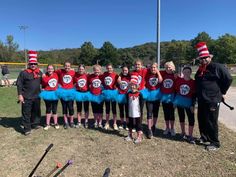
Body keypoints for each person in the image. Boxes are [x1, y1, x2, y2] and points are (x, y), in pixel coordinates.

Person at [194, 42, 232, 151]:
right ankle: (204, 137)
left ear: (209, 57)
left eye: (205, 57)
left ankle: (215, 143)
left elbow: (228, 79)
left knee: (211, 120)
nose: (204, 59)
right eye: (201, 58)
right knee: (202, 119)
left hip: (213, 100)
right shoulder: (200, 69)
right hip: (201, 100)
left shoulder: (217, 67)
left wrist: (222, 92)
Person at [17, 50, 42, 135]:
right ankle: (27, 128)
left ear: (37, 64)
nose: (33, 65)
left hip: (37, 96)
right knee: (26, 113)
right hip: (27, 97)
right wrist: (20, 95)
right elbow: (19, 84)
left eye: (35, 64)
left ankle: (35, 124)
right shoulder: (24, 73)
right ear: (29, 64)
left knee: (36, 112)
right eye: (31, 64)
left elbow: (45, 81)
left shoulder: (39, 72)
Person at [173, 66, 196, 144]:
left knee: (191, 118)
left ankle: (190, 135)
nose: (186, 73)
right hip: (179, 101)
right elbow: (176, 91)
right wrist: (175, 102)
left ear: (190, 73)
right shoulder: (179, 80)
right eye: (185, 72)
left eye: (188, 72)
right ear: (182, 72)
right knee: (181, 116)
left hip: (189, 102)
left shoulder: (193, 82)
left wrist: (193, 105)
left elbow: (194, 95)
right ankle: (183, 132)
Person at [145, 63, 163, 139]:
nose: (153, 69)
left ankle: (154, 126)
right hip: (149, 95)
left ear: (157, 68)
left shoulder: (158, 74)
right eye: (152, 67)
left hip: (156, 95)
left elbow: (160, 81)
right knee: (149, 112)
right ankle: (149, 129)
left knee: (155, 112)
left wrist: (158, 72)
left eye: (154, 67)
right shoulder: (147, 74)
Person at [56, 61, 75, 129]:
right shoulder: (60, 71)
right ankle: (66, 122)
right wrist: (45, 74)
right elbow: (52, 72)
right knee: (64, 107)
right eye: (66, 65)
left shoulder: (73, 72)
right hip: (63, 92)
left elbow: (79, 75)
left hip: (70, 92)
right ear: (64, 66)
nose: (67, 67)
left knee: (70, 107)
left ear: (70, 66)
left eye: (68, 66)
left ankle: (71, 121)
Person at [124, 75, 143, 144]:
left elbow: (141, 105)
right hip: (130, 112)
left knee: (138, 125)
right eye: (131, 85)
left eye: (134, 85)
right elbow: (126, 104)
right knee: (130, 124)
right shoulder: (128, 94)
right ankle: (130, 135)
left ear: (137, 86)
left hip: (137, 113)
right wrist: (126, 113)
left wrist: (140, 113)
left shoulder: (140, 94)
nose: (132, 86)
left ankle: (139, 136)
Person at [40, 64, 59, 130]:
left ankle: (56, 123)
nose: (50, 70)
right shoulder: (44, 76)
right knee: (48, 108)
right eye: (49, 68)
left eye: (51, 68)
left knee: (54, 109)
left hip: (55, 94)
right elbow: (43, 85)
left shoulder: (56, 74)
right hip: (47, 93)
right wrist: (43, 88)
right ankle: (47, 124)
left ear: (54, 69)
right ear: (47, 69)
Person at [160, 61, 176, 136]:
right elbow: (155, 71)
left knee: (171, 113)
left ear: (173, 68)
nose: (168, 68)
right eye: (166, 67)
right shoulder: (163, 74)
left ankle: (172, 128)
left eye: (169, 67)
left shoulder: (175, 75)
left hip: (172, 96)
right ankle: (167, 128)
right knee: (166, 113)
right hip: (164, 96)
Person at [101, 64, 119, 130]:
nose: (109, 69)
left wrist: (117, 88)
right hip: (106, 93)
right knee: (107, 108)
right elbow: (101, 81)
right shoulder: (104, 74)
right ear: (106, 68)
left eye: (110, 68)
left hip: (113, 93)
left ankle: (115, 123)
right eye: (108, 68)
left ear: (112, 68)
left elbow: (119, 82)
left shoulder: (116, 75)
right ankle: (107, 123)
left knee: (114, 108)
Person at [74, 64, 90, 128]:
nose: (81, 70)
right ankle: (79, 122)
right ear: (78, 69)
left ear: (84, 69)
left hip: (86, 93)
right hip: (78, 93)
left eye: (82, 69)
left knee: (86, 108)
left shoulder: (87, 75)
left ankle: (86, 122)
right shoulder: (75, 76)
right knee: (79, 108)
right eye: (80, 69)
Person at [116, 65, 130, 130]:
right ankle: (121, 123)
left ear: (128, 70)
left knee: (127, 111)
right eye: (123, 70)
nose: (125, 71)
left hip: (127, 96)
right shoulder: (119, 77)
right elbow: (116, 86)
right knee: (121, 110)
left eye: (126, 70)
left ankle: (127, 124)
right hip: (120, 95)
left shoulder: (130, 77)